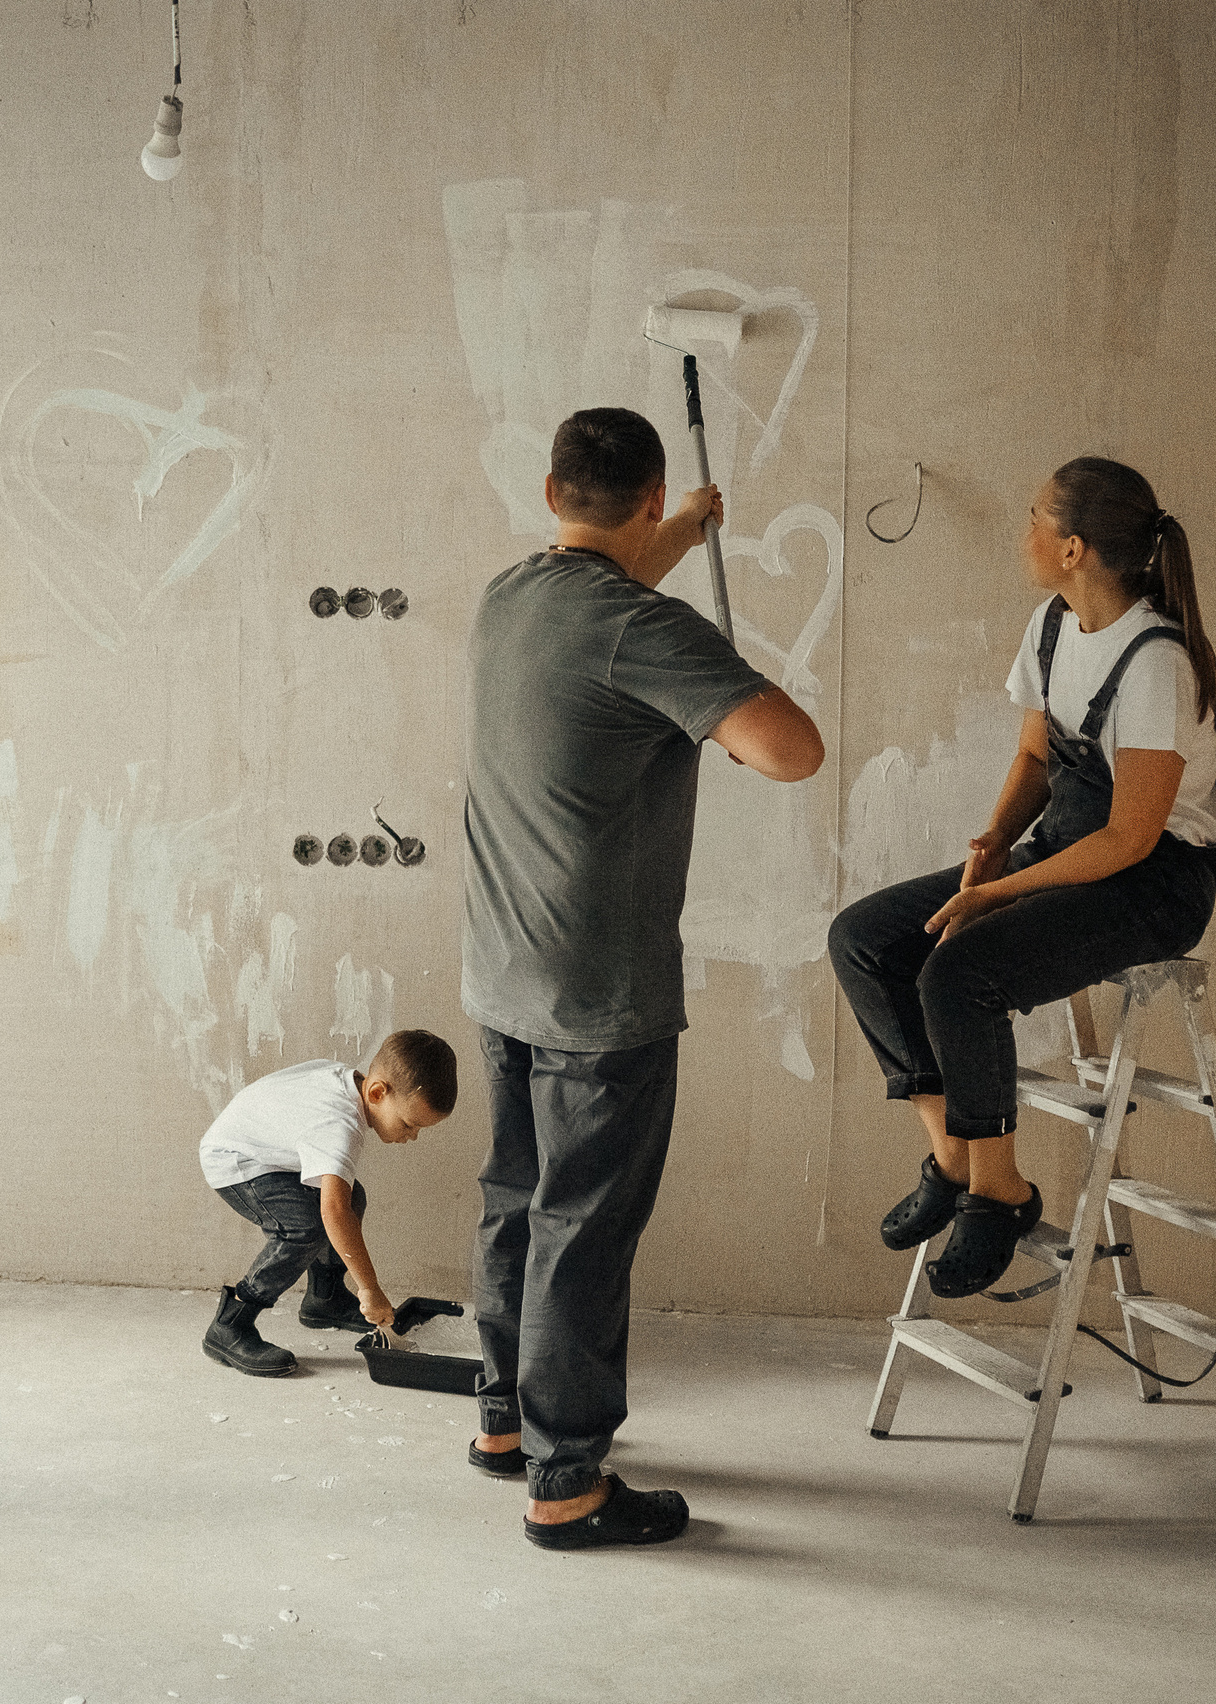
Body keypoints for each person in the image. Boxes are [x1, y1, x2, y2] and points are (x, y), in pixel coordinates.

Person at [462, 407, 826, 1551]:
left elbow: (608, 575)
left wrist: (683, 532)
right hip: (597, 993)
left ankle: (504, 1427)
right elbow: (791, 749)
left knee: (519, 1200)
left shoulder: (511, 596)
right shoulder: (647, 632)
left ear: (552, 487)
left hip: (504, 969)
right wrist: (713, 706)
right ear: (652, 496)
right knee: (585, 1229)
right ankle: (567, 1483)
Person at [826, 456, 1216, 1301]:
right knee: (867, 941)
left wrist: (996, 894)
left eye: (1034, 518)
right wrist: (992, 844)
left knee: (961, 970)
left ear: (1073, 549)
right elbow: (1033, 753)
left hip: (1152, 883)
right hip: (1063, 850)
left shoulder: (1158, 663)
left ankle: (1000, 1192)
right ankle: (952, 1154)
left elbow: (1131, 836)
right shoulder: (1054, 625)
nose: (1023, 532)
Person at [198, 1030, 459, 1377]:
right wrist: (370, 1289)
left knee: (353, 1197)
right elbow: (333, 1212)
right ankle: (230, 1324)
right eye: (410, 1124)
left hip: (266, 1151)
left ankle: (325, 1299)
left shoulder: (348, 1084)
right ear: (377, 1092)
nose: (411, 1136)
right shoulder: (339, 1124)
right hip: (235, 1161)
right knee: (306, 1225)